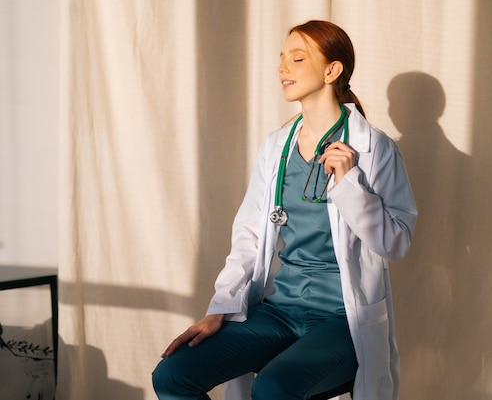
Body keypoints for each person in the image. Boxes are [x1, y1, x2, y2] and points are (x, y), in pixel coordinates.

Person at [152, 20, 417, 400]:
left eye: (296, 59)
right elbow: (249, 233)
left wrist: (350, 184)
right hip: (280, 311)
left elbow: (396, 243)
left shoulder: (375, 149)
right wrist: (220, 309)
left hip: (343, 318)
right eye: (281, 59)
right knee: (173, 375)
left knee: (273, 389)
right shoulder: (277, 146)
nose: (282, 68)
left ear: (332, 70)